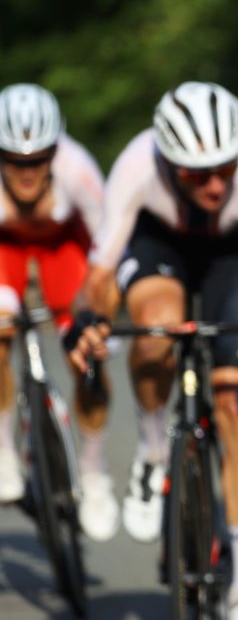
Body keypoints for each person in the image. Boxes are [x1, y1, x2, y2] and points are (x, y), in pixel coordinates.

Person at [67, 81, 238, 620]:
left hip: (234, 256)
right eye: (199, 175)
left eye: (225, 169)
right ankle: (153, 455)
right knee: (156, 328)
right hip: (160, 244)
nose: (216, 184)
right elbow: (98, 276)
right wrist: (87, 319)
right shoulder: (137, 164)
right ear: (170, 162)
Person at [0, 83, 119, 542]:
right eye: (14, 161)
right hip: (6, 251)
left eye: (39, 159)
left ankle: (93, 472)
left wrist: (98, 314)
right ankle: (5, 448)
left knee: (89, 353)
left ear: (56, 151)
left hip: (64, 248)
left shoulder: (78, 169)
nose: (27, 172)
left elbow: (108, 244)